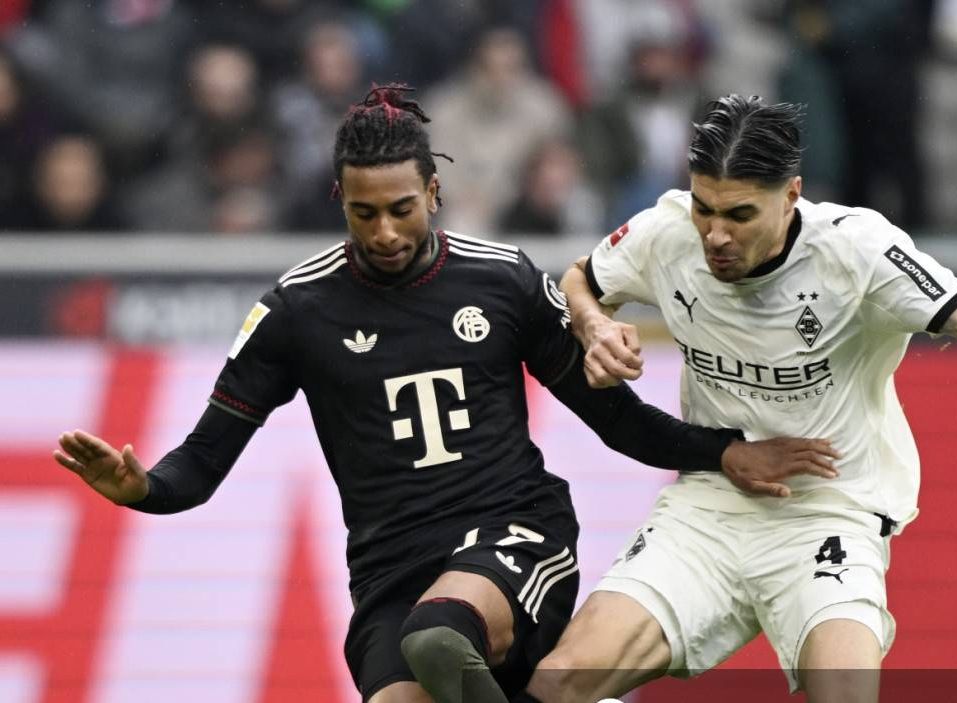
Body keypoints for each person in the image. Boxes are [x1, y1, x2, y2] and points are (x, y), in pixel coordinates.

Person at [52, 86, 839, 703]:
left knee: (437, 637)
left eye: (401, 209)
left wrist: (722, 451)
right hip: (389, 569)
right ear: (338, 199)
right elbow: (202, 461)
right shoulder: (296, 310)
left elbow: (613, 419)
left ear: (433, 192)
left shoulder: (500, 280)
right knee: (412, 664)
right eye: (363, 213)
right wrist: (143, 487)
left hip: (511, 534)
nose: (385, 232)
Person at [527, 95, 957, 703]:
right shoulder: (665, 231)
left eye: (739, 214)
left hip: (831, 510)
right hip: (710, 504)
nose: (715, 234)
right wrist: (594, 325)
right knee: (560, 682)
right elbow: (581, 277)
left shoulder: (857, 250)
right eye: (703, 208)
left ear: (791, 195)